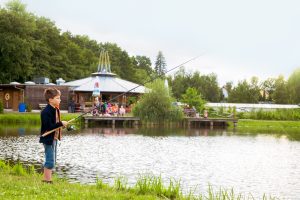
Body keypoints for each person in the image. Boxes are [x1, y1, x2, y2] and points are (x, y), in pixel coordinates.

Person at [39, 88, 68, 184]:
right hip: (47, 139)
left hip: (54, 139)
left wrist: (61, 126)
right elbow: (49, 127)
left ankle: (46, 179)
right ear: (51, 99)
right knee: (50, 160)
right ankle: (47, 180)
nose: (60, 100)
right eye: (58, 98)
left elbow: (55, 125)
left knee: (53, 160)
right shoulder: (46, 112)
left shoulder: (55, 110)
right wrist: (60, 123)